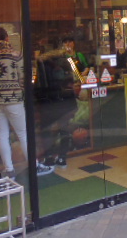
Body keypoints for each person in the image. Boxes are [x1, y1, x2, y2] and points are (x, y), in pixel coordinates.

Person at [0, 26, 54, 178]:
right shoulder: (16, 55)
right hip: (14, 100)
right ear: (6, 38)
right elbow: (24, 78)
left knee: (2, 136)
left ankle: (9, 170)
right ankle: (34, 166)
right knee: (23, 134)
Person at [40, 36, 91, 168]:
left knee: (49, 130)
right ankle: (62, 157)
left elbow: (42, 85)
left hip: (52, 102)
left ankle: (49, 157)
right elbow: (74, 80)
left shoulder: (44, 64)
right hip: (67, 101)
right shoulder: (68, 62)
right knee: (64, 129)